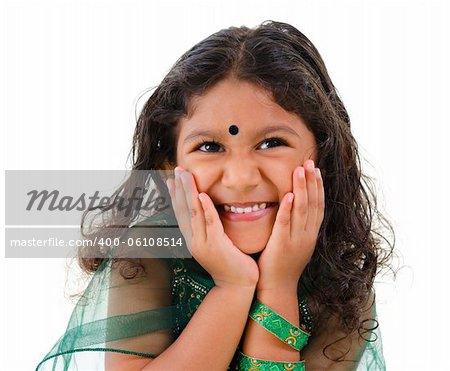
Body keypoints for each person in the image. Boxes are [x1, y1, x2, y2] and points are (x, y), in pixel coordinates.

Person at [36, 20, 394, 370]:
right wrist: (233, 287)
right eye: (209, 146)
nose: (240, 179)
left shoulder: (342, 283)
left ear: (327, 159)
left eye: (272, 143)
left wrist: (280, 284)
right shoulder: (148, 252)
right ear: (167, 169)